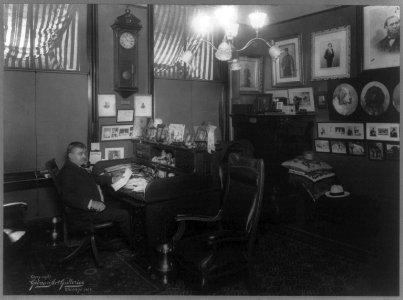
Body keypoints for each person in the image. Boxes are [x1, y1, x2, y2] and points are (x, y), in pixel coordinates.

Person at [58, 142, 134, 252]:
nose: (84, 156)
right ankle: (134, 247)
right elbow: (68, 196)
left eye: (84, 153)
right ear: (70, 156)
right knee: (124, 214)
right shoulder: (67, 173)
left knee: (122, 204)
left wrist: (111, 179)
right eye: (80, 154)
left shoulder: (75, 167)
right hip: (84, 213)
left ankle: (127, 240)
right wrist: (91, 204)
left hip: (91, 205)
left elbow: (93, 178)